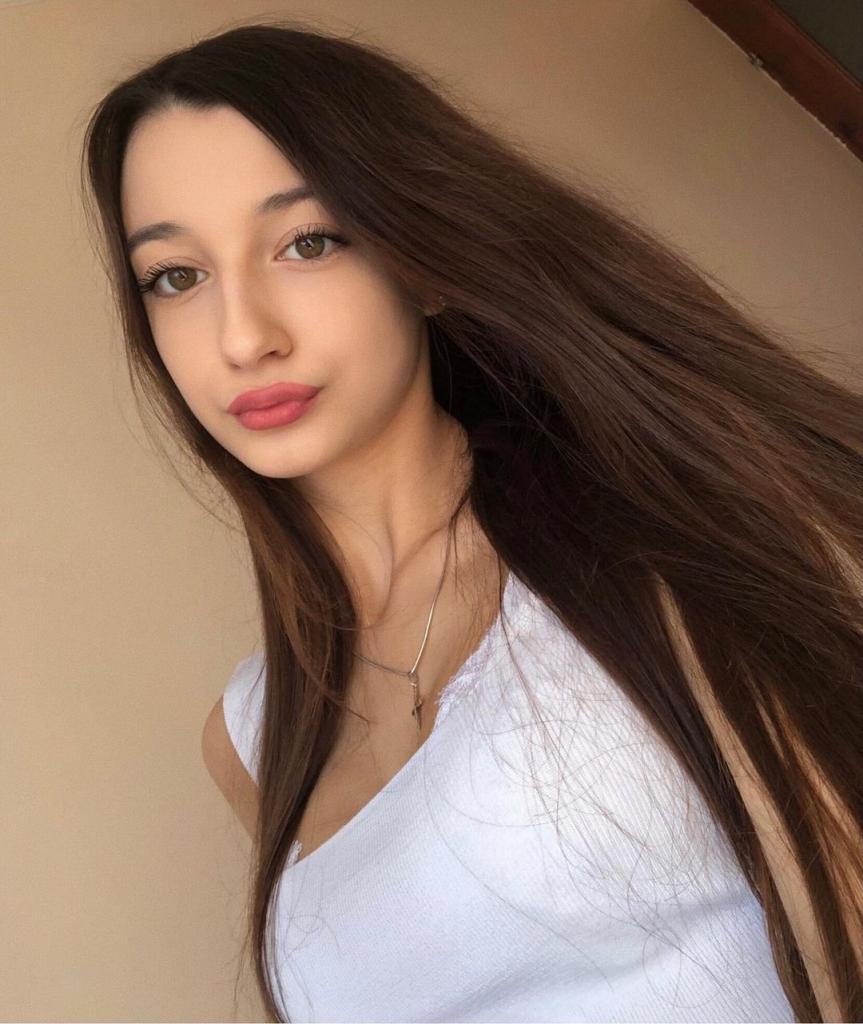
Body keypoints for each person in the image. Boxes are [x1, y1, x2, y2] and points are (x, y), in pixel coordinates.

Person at [79, 19, 863, 1024]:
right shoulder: (249, 738)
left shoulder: (638, 543)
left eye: (308, 241)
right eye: (176, 276)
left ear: (421, 261)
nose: (242, 336)